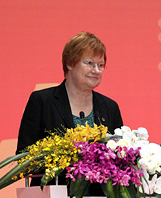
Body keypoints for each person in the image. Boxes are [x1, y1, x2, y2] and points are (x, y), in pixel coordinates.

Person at [16, 32, 123, 189]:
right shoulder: (42, 101)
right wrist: (64, 161)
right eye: (89, 63)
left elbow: (120, 157)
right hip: (51, 197)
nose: (96, 70)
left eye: (101, 65)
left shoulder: (109, 107)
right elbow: (23, 156)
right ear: (70, 64)